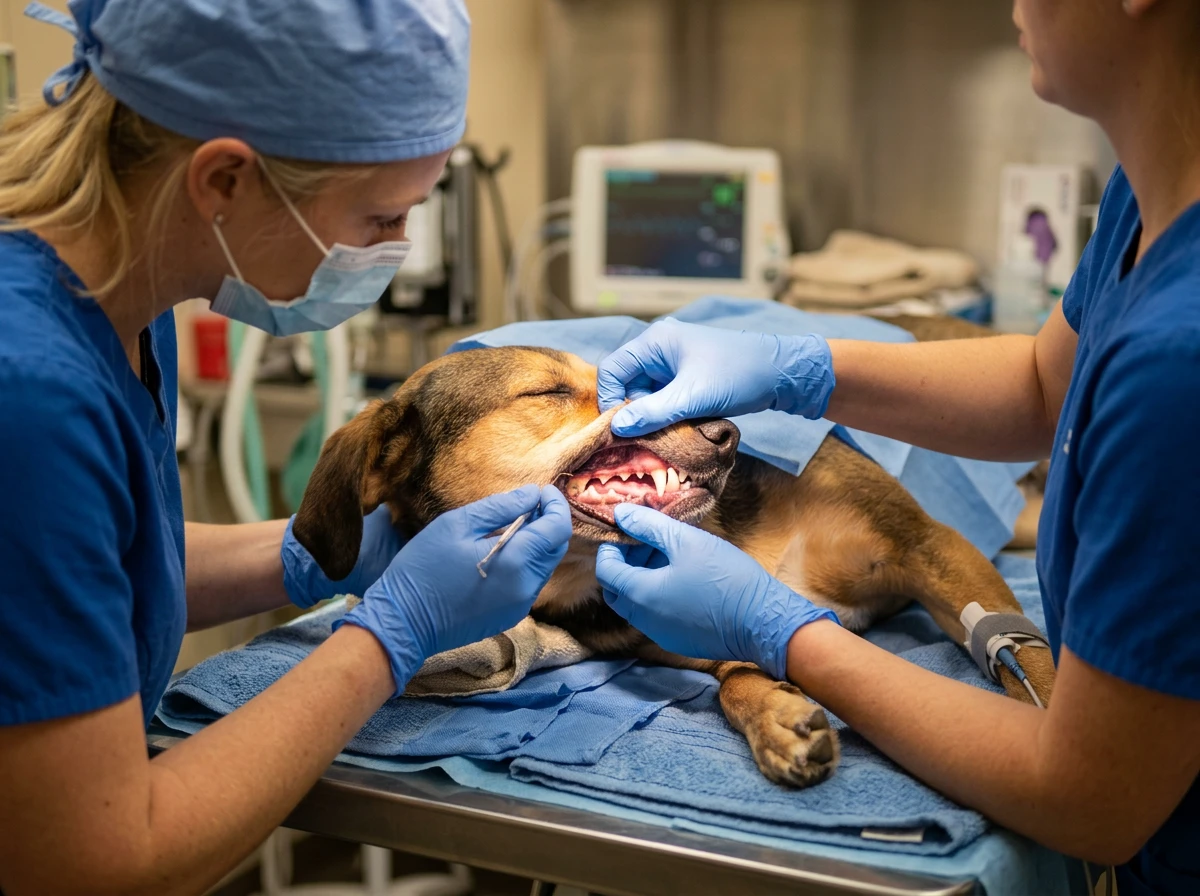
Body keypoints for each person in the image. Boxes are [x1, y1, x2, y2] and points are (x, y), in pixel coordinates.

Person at [594, 1, 1200, 894]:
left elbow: (1091, 801)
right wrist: (794, 367)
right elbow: (1044, 386)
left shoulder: (1180, 362)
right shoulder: (1146, 201)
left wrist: (782, 634)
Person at [0, 2, 572, 893]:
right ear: (224, 180)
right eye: (380, 219)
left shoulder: (124, 305)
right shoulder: (29, 391)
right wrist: (390, 635)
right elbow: (95, 864)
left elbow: (87, 577)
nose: (395, 249)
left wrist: (313, 554)